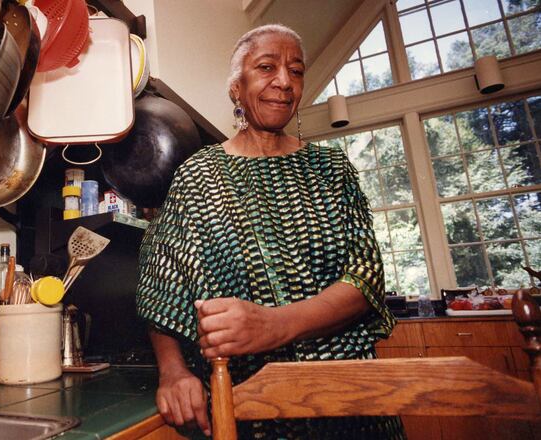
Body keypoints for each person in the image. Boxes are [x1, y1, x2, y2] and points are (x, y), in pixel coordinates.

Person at [136, 23, 405, 439]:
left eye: (296, 71)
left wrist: (275, 325)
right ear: (235, 88)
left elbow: (365, 280)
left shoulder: (332, 170)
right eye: (267, 67)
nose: (284, 81)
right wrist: (173, 372)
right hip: (253, 408)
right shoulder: (199, 176)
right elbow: (161, 286)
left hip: (353, 404)